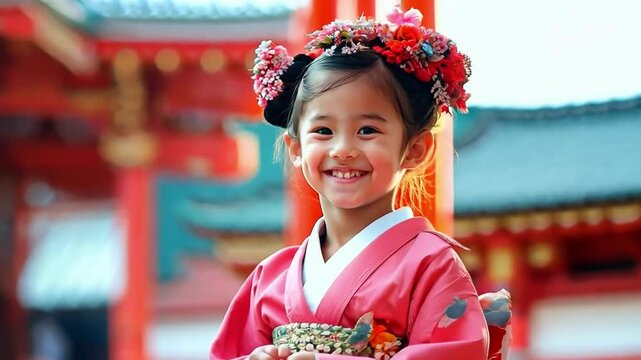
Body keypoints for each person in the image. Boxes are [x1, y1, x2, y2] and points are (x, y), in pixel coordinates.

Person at [211, 6, 488, 360]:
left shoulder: (430, 265)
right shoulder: (270, 276)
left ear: (415, 149)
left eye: (367, 130)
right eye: (323, 131)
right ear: (296, 148)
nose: (343, 150)